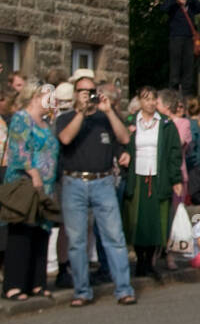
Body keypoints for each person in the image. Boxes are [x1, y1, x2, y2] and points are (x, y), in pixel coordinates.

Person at [56, 69, 135, 306]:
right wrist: (81, 112)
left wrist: (109, 111)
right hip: (74, 182)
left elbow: (124, 139)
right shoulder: (66, 117)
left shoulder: (105, 118)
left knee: (115, 237)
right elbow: (66, 139)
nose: (88, 96)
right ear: (75, 94)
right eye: (84, 92)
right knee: (77, 240)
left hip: (103, 182)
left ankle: (123, 288)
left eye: (92, 92)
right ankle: (81, 291)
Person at [2, 84, 61, 301]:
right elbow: (19, 149)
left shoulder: (46, 123)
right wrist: (34, 174)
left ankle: (37, 282)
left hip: (45, 187)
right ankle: (14, 285)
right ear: (36, 96)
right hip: (26, 184)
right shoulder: (21, 118)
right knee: (22, 232)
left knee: (41, 232)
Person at [121, 87, 183, 284]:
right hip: (137, 176)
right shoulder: (131, 121)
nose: (149, 103)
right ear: (139, 101)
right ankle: (140, 260)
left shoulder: (166, 124)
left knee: (156, 219)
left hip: (158, 176)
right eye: (145, 99)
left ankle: (151, 260)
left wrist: (176, 179)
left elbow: (174, 154)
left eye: (152, 99)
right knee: (138, 218)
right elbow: (122, 144)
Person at [161, 0, 200, 97]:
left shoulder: (190, 5)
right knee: (175, 67)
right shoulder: (173, 5)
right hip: (176, 38)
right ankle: (173, 93)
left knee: (188, 67)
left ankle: (187, 94)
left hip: (189, 39)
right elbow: (163, 8)